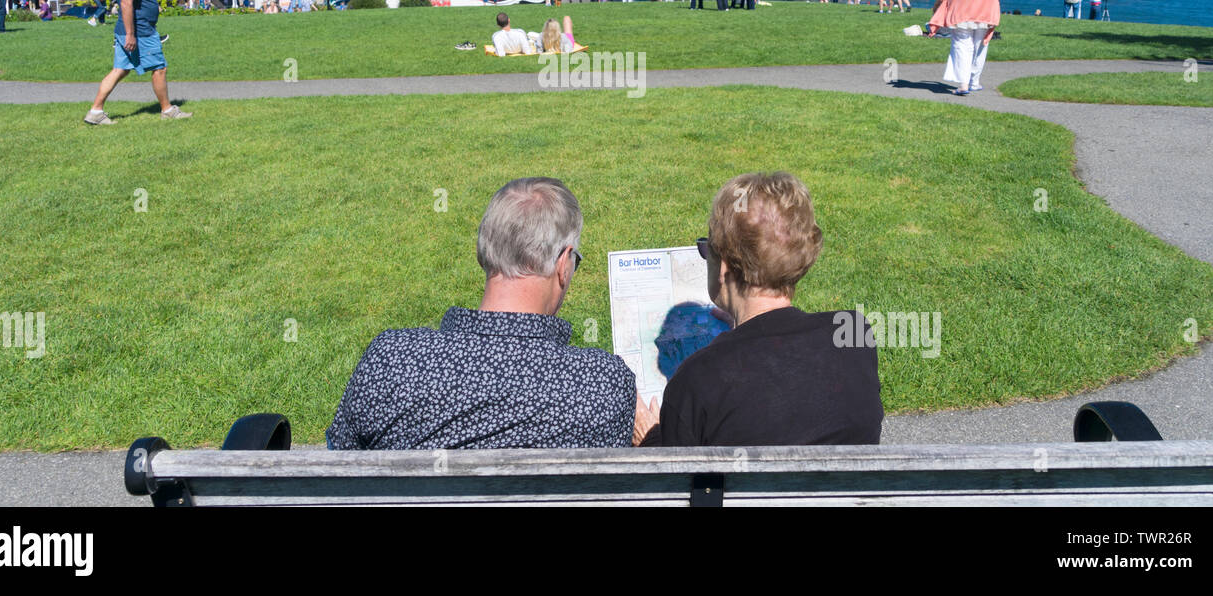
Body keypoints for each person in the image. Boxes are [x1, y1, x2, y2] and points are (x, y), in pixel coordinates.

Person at [327, 177, 637, 450]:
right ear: (562, 265)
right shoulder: (602, 384)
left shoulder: (390, 361)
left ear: (483, 251)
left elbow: (340, 460)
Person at [634, 172, 883, 447]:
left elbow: (675, 482)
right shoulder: (853, 334)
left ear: (724, 266)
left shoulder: (696, 379)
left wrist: (650, 437)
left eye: (707, 250)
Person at [83, 0, 191, 124]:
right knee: (159, 68)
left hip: (125, 29)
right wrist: (131, 34)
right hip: (140, 31)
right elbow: (126, 2)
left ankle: (95, 112)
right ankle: (167, 110)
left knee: (120, 70)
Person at [927, 0, 1010, 95]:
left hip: (961, 15)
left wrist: (937, 5)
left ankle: (963, 84)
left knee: (962, 48)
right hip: (986, 15)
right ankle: (974, 82)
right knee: (980, 47)